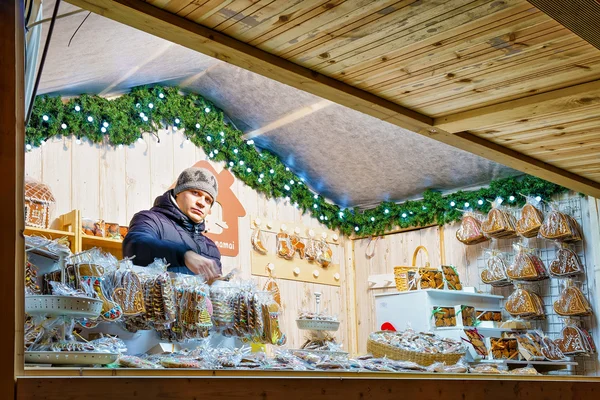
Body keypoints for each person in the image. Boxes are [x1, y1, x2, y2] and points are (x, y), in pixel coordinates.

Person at [123, 167, 222, 280]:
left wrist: (218, 285)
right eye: (195, 193)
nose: (201, 203)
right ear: (178, 193)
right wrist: (183, 255)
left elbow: (213, 292)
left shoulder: (212, 249)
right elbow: (135, 246)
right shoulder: (150, 219)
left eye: (208, 200)